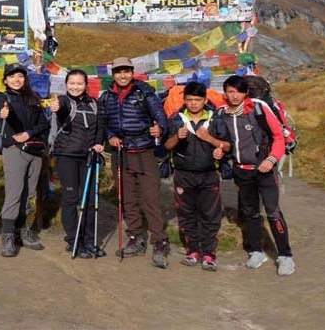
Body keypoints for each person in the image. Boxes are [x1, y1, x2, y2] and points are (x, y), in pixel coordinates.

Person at [218, 75, 295, 276]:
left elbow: (278, 137)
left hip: (265, 170)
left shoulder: (259, 109)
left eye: (238, 91)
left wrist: (271, 160)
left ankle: (285, 255)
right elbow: (225, 142)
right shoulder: (222, 114)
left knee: (272, 211)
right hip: (241, 171)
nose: (234, 96)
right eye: (230, 91)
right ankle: (256, 251)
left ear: (245, 93)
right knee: (251, 213)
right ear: (225, 93)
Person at [99, 57, 169, 268]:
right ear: (113, 74)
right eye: (119, 71)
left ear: (132, 72)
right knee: (127, 198)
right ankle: (135, 238)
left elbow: (160, 115)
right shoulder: (106, 96)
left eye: (126, 71)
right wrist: (110, 136)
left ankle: (159, 242)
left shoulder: (144, 91)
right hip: (122, 152)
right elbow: (104, 122)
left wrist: (161, 129)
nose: (123, 75)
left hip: (145, 150)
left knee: (150, 198)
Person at [164, 82, 231, 272]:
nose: (194, 103)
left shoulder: (215, 119)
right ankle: (192, 251)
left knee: (210, 215)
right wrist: (177, 137)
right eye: (190, 99)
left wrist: (210, 140)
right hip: (183, 174)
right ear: (184, 100)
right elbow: (167, 146)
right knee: (187, 215)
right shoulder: (176, 119)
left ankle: (209, 254)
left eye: (198, 100)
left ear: (205, 100)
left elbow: (227, 146)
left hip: (209, 174)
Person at [0, 63, 50, 257]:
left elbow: (44, 123)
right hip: (14, 149)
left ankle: (23, 230)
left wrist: (29, 133)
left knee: (30, 194)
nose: (17, 80)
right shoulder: (3, 97)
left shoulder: (34, 99)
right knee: (14, 193)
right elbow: (0, 107)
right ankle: (7, 235)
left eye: (20, 76)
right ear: (6, 80)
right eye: (12, 76)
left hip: (35, 151)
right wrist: (3, 113)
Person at [49, 69, 106, 259]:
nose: (75, 87)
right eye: (71, 83)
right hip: (66, 156)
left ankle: (89, 241)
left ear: (85, 85)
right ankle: (73, 240)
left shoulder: (93, 104)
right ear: (66, 85)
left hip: (88, 157)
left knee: (89, 200)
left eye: (79, 83)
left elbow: (100, 127)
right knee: (71, 198)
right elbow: (61, 106)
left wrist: (99, 142)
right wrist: (57, 106)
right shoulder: (65, 101)